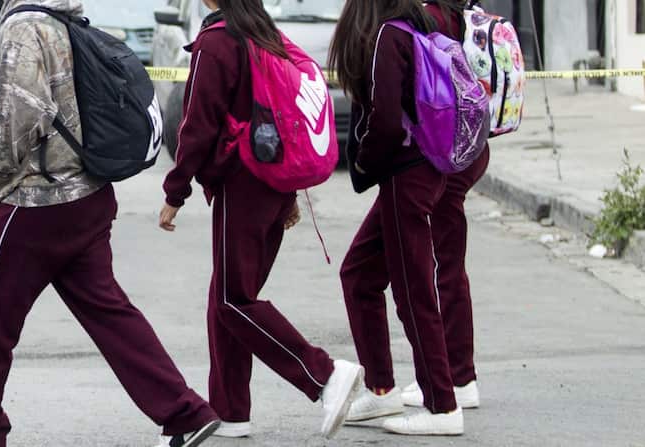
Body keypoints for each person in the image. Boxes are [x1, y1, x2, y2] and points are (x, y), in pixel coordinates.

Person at [0, 1, 220, 447]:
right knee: (109, 312)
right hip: (90, 194)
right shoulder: (66, 19)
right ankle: (184, 413)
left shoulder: (22, 27)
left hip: (40, 198)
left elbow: (20, 117)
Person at [158, 0, 364, 440]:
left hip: (243, 183)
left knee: (234, 300)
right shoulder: (263, 33)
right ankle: (231, 411)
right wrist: (286, 192)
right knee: (227, 300)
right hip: (272, 182)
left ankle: (324, 375)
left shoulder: (216, 42)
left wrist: (176, 190)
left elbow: (196, 125)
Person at [329, 0, 484, 435]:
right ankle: (381, 390)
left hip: (405, 175)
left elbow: (386, 122)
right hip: (428, 168)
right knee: (359, 273)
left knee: (414, 291)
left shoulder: (387, 35)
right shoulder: (417, 26)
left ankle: (442, 405)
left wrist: (363, 166)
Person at [397, 0, 488, 411]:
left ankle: (455, 376)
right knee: (449, 263)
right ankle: (459, 374)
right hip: (469, 146)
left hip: (443, 154)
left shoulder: (430, 17)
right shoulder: (465, 13)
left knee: (437, 267)